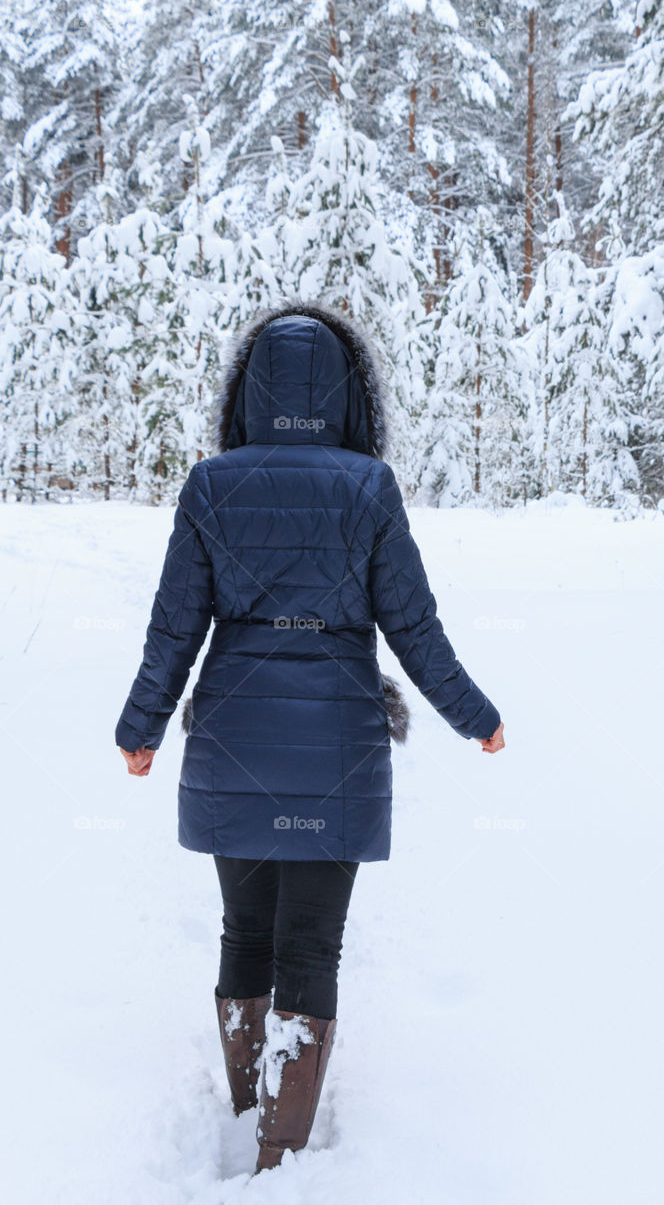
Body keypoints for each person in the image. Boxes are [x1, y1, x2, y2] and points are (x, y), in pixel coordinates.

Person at [115, 302, 505, 1173]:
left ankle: (250, 1100)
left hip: (232, 736)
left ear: (248, 391)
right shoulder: (367, 485)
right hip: (336, 747)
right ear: (345, 392)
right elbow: (414, 627)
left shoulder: (212, 484)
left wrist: (141, 727)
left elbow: (174, 626)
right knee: (311, 946)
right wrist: (474, 715)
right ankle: (278, 1151)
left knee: (243, 932)